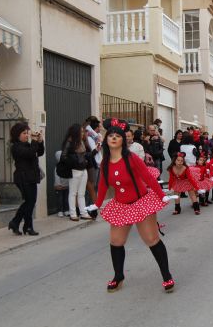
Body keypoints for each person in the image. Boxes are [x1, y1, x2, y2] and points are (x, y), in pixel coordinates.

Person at [92, 118, 176, 293]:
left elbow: (147, 177)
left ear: (123, 140)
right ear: (106, 140)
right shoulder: (105, 162)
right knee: (116, 242)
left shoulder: (131, 159)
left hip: (141, 203)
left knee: (151, 240)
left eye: (117, 136)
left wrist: (162, 196)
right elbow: (102, 185)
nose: (114, 138)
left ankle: (166, 275)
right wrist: (96, 204)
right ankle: (118, 276)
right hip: (121, 205)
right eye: (111, 136)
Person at [8, 123, 44, 236]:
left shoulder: (28, 145)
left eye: (27, 133)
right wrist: (34, 141)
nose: (27, 135)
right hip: (23, 178)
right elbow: (30, 154)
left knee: (30, 202)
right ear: (17, 135)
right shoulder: (16, 147)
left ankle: (17, 223)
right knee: (29, 202)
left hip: (31, 177)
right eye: (24, 133)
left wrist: (40, 141)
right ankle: (26, 226)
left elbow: (40, 152)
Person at [61, 124, 98, 221]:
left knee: (81, 193)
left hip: (83, 170)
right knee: (73, 193)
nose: (83, 133)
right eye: (81, 131)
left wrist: (95, 151)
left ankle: (83, 213)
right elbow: (63, 157)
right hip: (74, 170)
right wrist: (75, 162)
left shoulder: (81, 142)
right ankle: (73, 214)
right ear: (76, 132)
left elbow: (85, 156)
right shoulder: (70, 142)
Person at [84, 116, 103, 203]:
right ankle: (89, 205)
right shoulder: (89, 136)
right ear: (96, 127)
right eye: (100, 126)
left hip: (98, 163)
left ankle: (94, 203)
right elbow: (93, 150)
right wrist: (98, 145)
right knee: (91, 185)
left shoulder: (97, 136)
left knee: (96, 186)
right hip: (93, 163)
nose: (101, 128)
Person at [54, 150, 70, 217]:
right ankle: (60, 211)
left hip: (66, 186)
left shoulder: (67, 166)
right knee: (60, 200)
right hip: (59, 187)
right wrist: (58, 184)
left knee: (66, 199)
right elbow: (57, 176)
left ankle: (66, 210)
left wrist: (68, 184)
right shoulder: (57, 167)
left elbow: (69, 176)